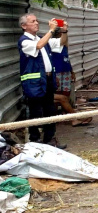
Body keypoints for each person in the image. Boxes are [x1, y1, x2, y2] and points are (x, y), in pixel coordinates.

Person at [18, 14, 67, 148]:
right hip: (33, 82)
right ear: (24, 26)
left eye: (37, 20)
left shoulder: (41, 38)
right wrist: (51, 30)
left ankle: (49, 139)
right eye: (32, 21)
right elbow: (38, 46)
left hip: (47, 79)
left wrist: (64, 31)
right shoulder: (24, 41)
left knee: (50, 109)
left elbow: (60, 43)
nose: (37, 23)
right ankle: (35, 141)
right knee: (35, 111)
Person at [50, 24, 92, 126]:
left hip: (65, 71)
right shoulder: (52, 43)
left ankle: (66, 115)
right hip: (58, 72)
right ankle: (57, 117)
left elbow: (67, 59)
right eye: (63, 33)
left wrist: (72, 71)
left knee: (66, 94)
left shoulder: (64, 46)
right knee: (59, 94)